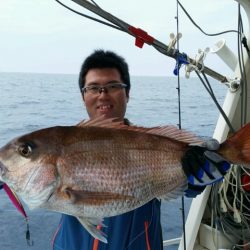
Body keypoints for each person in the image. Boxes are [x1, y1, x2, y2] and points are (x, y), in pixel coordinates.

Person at [52, 50, 230, 250]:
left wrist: (200, 169)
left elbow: (187, 184)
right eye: (93, 88)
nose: (103, 95)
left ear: (127, 93)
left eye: (112, 86)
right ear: (83, 96)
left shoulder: (153, 145)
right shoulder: (63, 146)